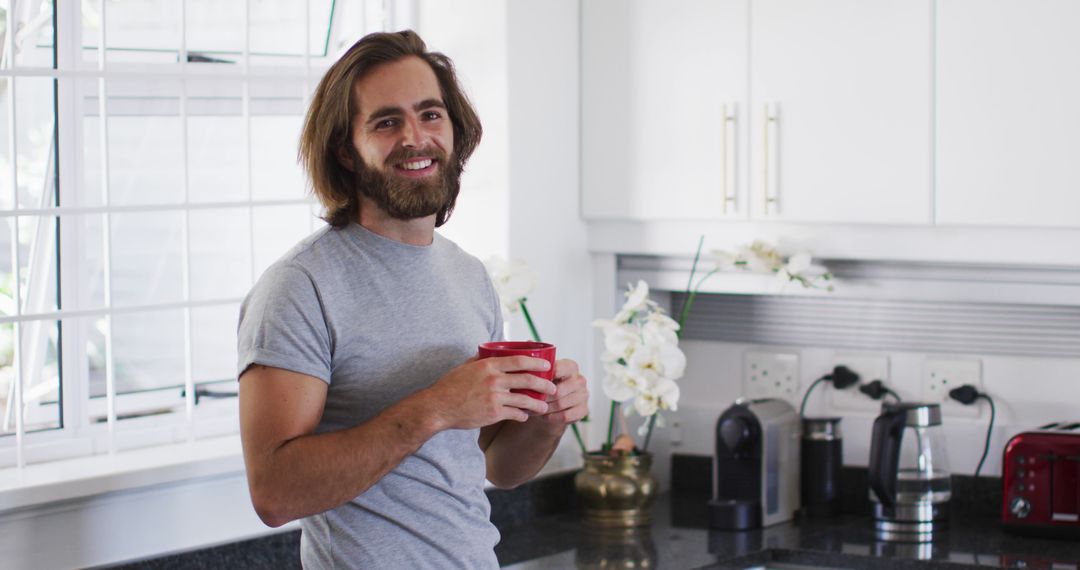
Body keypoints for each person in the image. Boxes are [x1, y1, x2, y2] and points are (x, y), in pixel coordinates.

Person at [235, 30, 589, 569]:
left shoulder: (468, 276)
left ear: (454, 129)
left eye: (430, 114)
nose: (415, 137)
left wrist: (547, 419)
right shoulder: (300, 287)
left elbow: (497, 466)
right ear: (345, 152)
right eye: (386, 122)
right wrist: (436, 407)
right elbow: (275, 495)